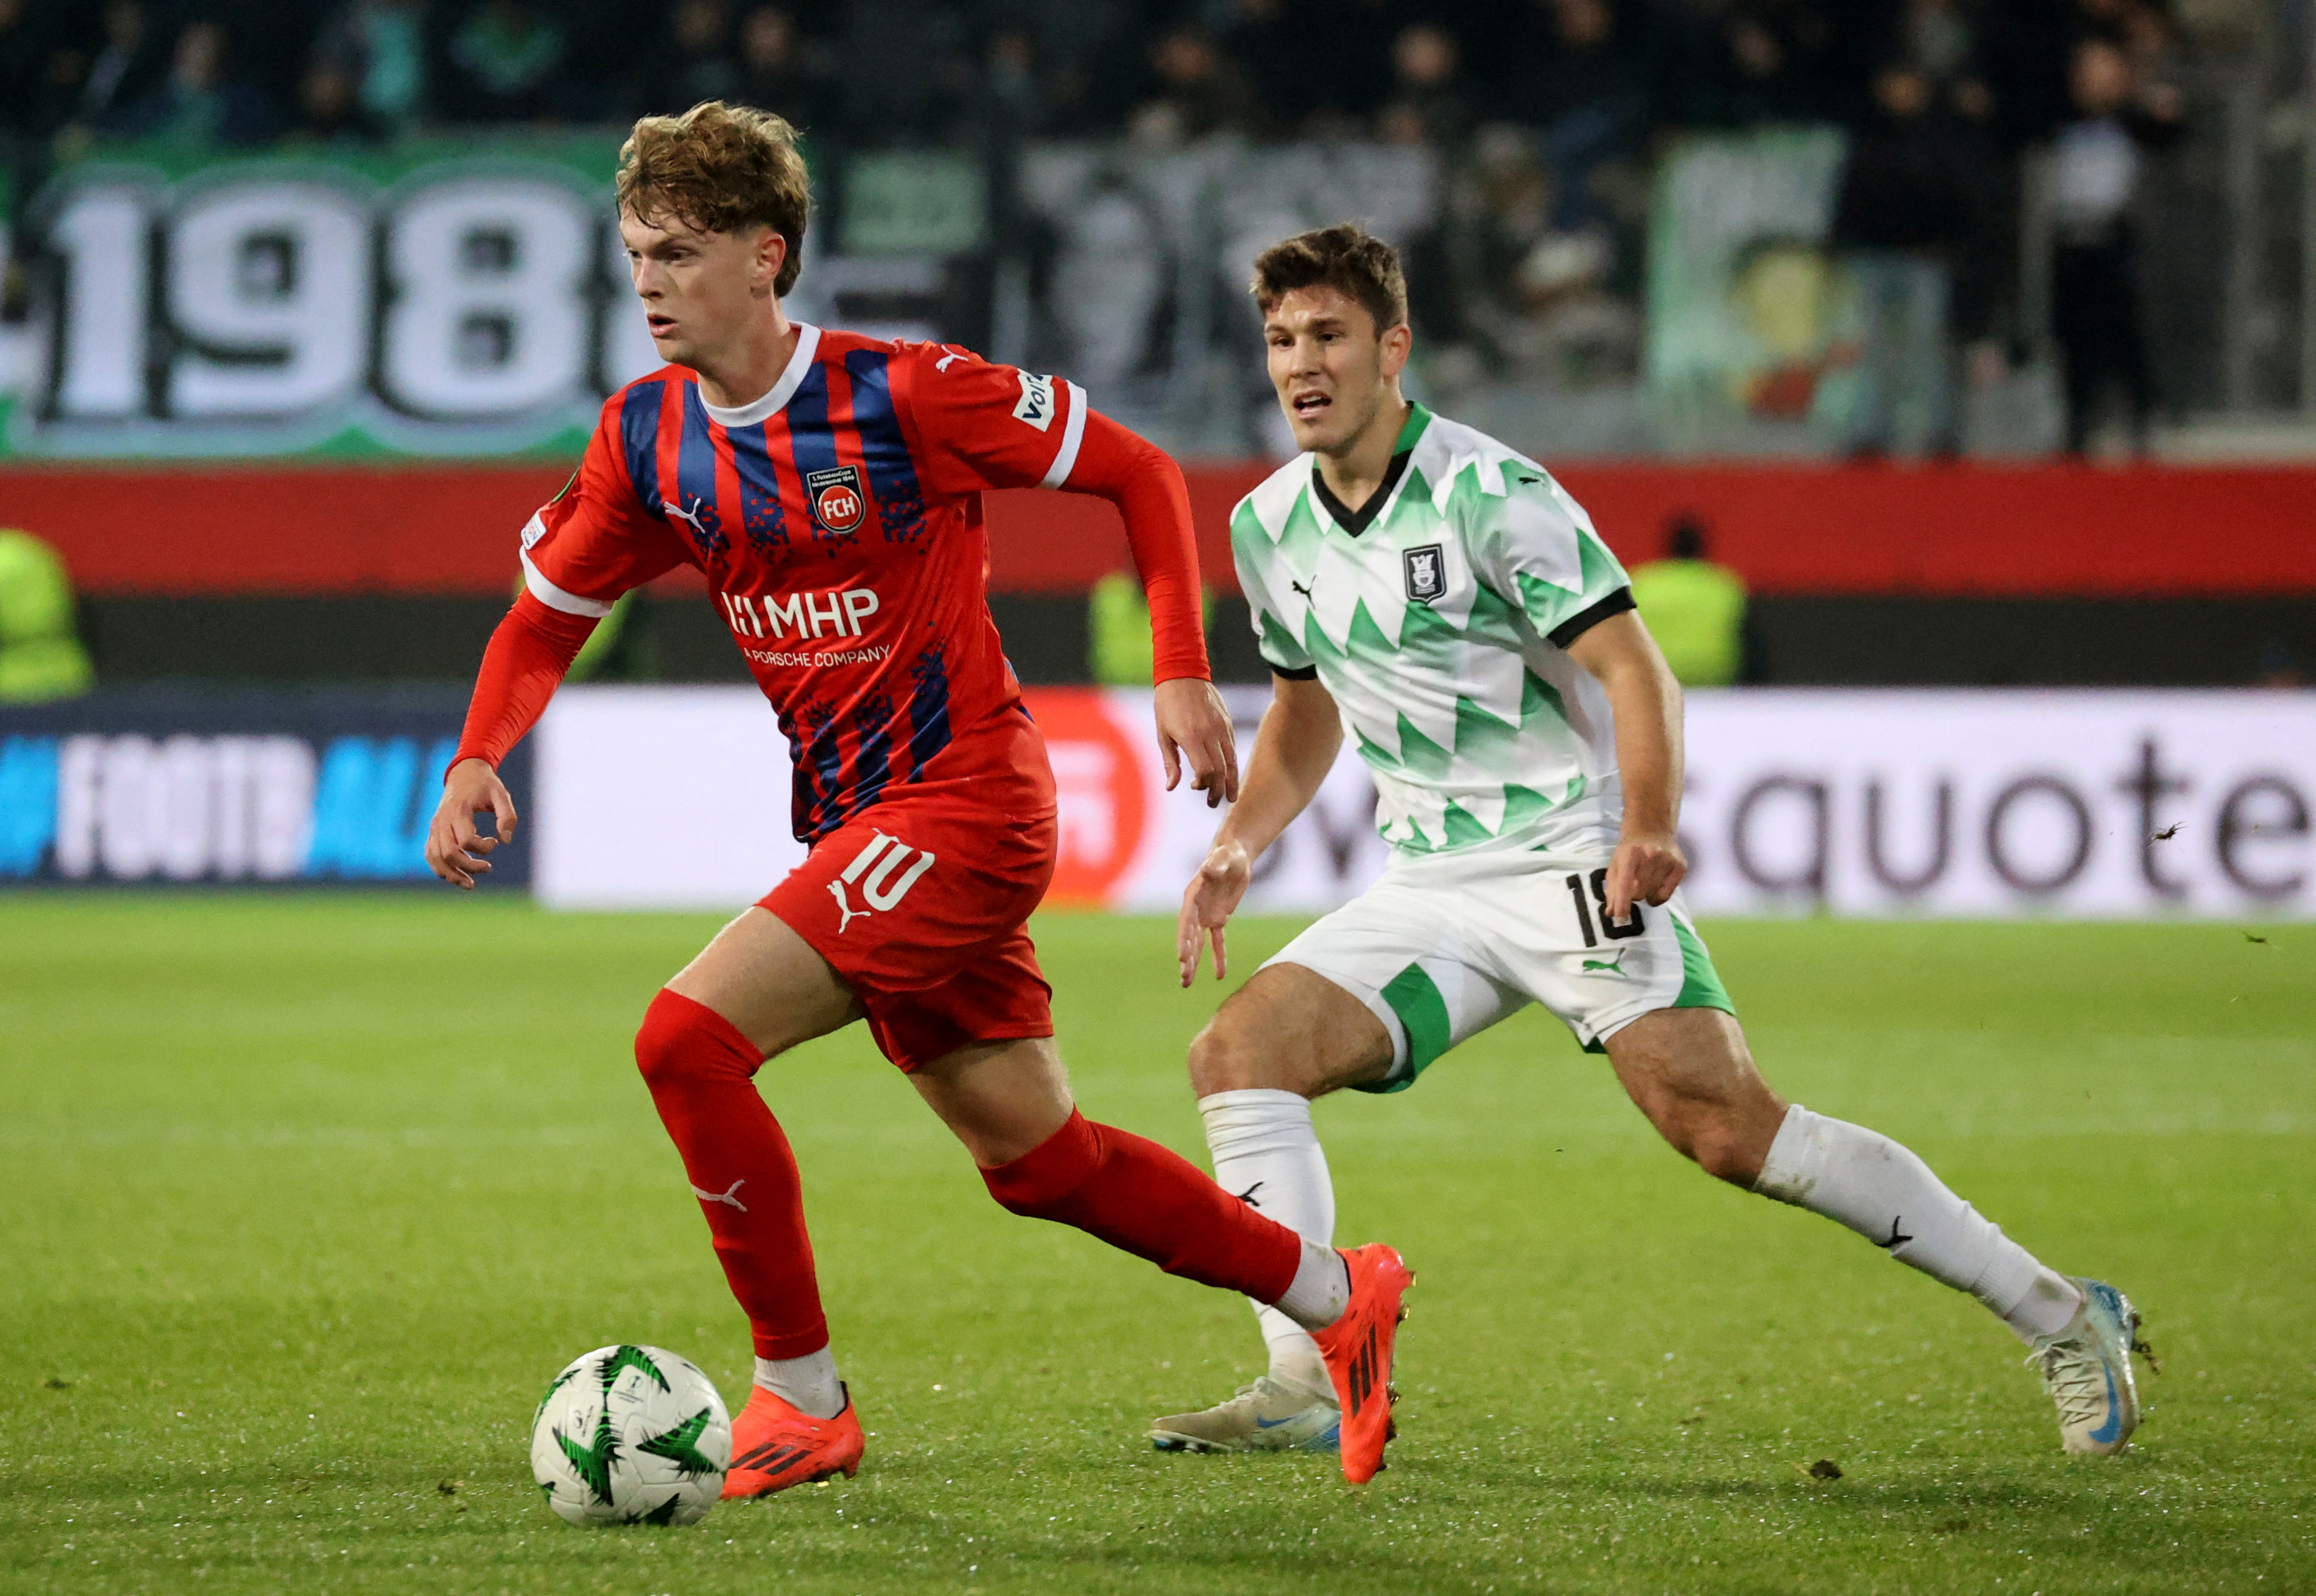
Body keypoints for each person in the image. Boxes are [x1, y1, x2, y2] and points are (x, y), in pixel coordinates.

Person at [424, 104, 1411, 1493]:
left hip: (962, 804)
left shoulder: (901, 396)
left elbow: (1136, 470)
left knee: (683, 1042)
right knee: (1036, 1159)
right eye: (635, 251)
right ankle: (1334, 1291)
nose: (646, 279)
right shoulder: (646, 438)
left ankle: (799, 1394)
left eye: (680, 251)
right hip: (858, 825)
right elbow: (544, 616)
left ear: (766, 259)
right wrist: (479, 751)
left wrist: (1183, 673)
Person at [1150, 223, 2151, 1459]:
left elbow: (1635, 671)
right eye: (1280, 341)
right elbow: (1305, 708)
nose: (1300, 364)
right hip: (1427, 886)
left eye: (1328, 337)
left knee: (1727, 1131)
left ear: (1392, 348)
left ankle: (2061, 1315)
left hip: (1567, 855)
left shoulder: (1488, 492)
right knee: (1236, 1056)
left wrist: (1648, 826)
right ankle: (1304, 1380)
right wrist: (1242, 842)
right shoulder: (1265, 527)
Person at [1626, 513, 1748, 688]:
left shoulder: (1641, 583)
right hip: (1712, 675)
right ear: (1702, 548)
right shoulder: (1724, 585)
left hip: (1653, 675)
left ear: (1667, 547)